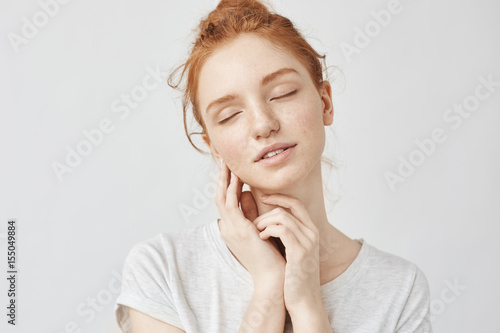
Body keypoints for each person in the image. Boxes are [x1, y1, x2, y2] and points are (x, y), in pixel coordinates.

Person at [114, 0, 433, 332]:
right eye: (229, 115)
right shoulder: (164, 268)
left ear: (325, 102)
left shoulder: (398, 289)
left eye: (282, 93)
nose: (262, 124)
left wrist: (308, 307)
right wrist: (269, 286)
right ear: (214, 147)